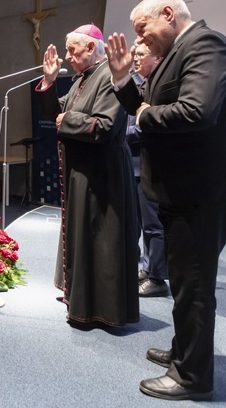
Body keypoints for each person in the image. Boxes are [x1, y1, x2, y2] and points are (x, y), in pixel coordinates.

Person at [106, 0, 226, 401]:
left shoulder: (205, 45)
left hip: (199, 193)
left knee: (194, 288)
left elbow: (198, 110)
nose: (139, 41)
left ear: (169, 15)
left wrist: (143, 115)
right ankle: (183, 352)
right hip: (180, 192)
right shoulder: (178, 53)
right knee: (182, 283)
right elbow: (145, 105)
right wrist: (123, 80)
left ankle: (193, 377)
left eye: (143, 31)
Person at [37, 23, 139, 328]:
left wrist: (67, 120)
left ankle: (99, 309)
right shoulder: (84, 80)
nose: (67, 57)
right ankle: (80, 297)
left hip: (103, 173)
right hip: (83, 171)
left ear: (91, 48)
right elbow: (54, 112)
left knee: (100, 239)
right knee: (84, 235)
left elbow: (104, 126)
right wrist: (50, 80)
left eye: (72, 50)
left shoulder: (109, 76)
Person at [125, 44, 167, 298]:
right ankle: (146, 267)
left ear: (157, 57)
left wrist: (125, 133)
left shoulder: (157, 86)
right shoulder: (135, 84)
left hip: (148, 165)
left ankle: (157, 278)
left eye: (142, 54)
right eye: (135, 54)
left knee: (154, 225)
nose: (136, 58)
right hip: (131, 164)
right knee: (138, 224)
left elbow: (146, 125)